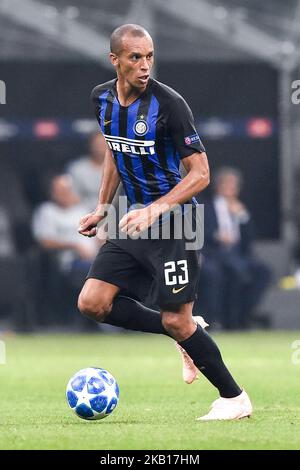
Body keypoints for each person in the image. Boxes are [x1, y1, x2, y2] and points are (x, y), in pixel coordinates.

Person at [77, 24, 252, 420]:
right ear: (115, 60)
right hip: (133, 218)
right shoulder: (101, 99)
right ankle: (186, 332)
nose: (144, 65)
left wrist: (157, 208)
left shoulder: (170, 104)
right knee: (92, 302)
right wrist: (103, 207)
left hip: (176, 222)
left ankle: (234, 398)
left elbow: (202, 174)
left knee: (178, 320)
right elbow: (114, 152)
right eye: (135, 57)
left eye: (149, 56)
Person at [196, 167, 271, 330]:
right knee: (215, 273)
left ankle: (244, 316)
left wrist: (242, 216)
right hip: (212, 254)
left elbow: (249, 240)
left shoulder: (240, 208)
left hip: (236, 255)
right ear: (219, 186)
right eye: (228, 184)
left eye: (234, 185)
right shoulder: (205, 206)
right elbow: (199, 232)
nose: (232, 189)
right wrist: (217, 236)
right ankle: (213, 320)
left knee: (262, 271)